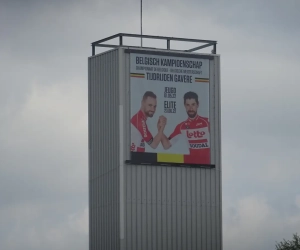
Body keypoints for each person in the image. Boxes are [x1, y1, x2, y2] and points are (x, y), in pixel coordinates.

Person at [160, 91, 210, 164]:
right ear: (184, 106)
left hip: (208, 166)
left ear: (197, 105)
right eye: (188, 105)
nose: (190, 108)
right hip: (193, 166)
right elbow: (166, 146)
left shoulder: (207, 122)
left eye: (193, 104)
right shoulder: (181, 126)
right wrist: (160, 129)